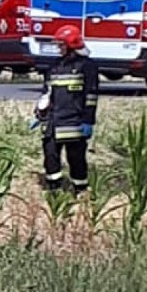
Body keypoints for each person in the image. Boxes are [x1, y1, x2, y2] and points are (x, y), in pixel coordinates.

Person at [34, 23, 98, 193]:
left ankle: (80, 189)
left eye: (61, 45)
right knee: (50, 155)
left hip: (75, 122)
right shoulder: (55, 66)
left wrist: (88, 120)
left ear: (71, 45)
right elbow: (47, 91)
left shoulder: (87, 66)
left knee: (76, 158)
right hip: (53, 121)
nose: (58, 48)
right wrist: (40, 111)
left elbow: (91, 96)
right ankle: (54, 188)